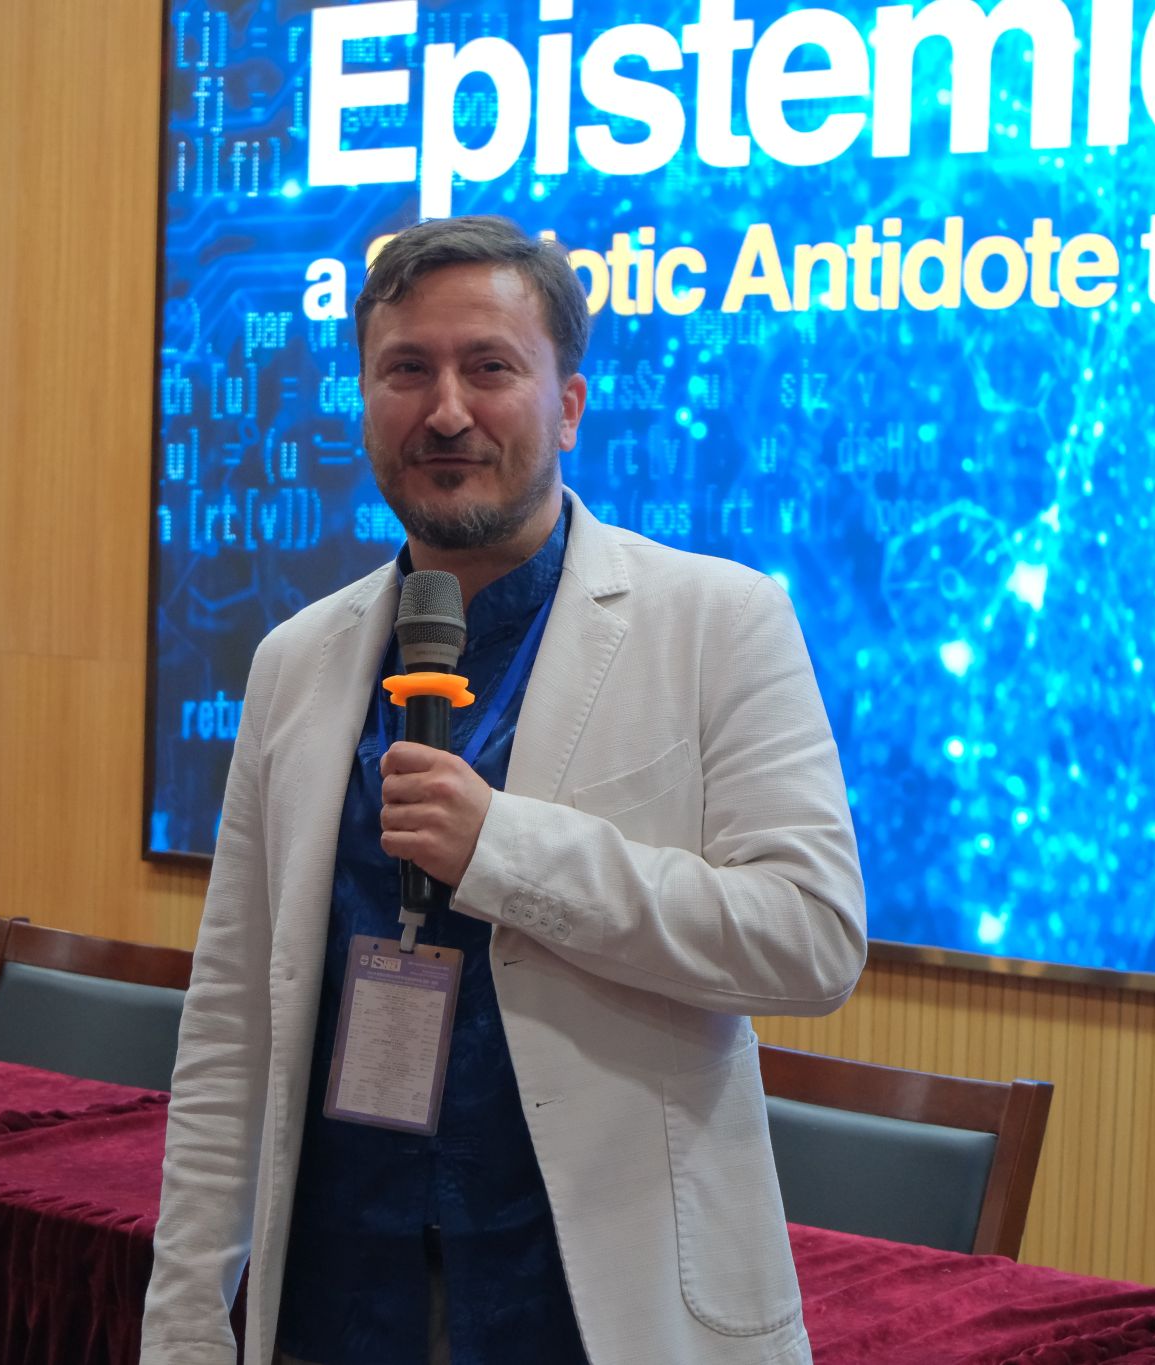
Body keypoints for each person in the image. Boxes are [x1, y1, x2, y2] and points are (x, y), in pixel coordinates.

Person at [140, 215, 866, 1365]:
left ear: (567, 404)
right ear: (364, 402)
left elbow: (809, 942)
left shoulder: (719, 622)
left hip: (594, 1307)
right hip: (342, 1295)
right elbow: (232, 1021)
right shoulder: (294, 661)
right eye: (405, 371)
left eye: (488, 367)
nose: (445, 412)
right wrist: (184, 1324)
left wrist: (504, 853)